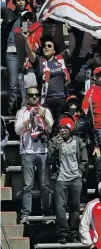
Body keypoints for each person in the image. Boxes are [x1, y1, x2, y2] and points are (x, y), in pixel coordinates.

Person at [15, 85, 53, 224]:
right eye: (31, 95)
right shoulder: (22, 112)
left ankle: (46, 213)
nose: (35, 97)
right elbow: (17, 130)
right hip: (27, 151)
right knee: (27, 185)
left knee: (45, 185)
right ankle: (25, 214)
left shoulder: (45, 110)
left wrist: (45, 118)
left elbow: (51, 127)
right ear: (27, 97)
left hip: (42, 151)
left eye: (37, 95)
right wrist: (29, 118)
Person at [48, 117, 88, 244]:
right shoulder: (54, 141)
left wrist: (80, 173)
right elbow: (49, 159)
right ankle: (62, 234)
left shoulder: (78, 142)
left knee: (75, 207)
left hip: (75, 178)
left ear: (70, 129)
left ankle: (72, 233)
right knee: (60, 207)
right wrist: (56, 147)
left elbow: (84, 160)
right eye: (60, 128)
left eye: (65, 128)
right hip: (61, 179)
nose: (62, 130)